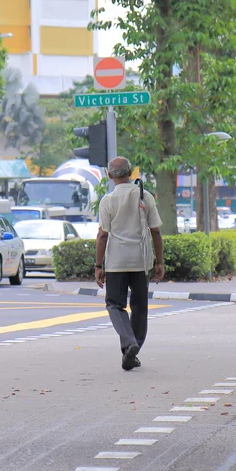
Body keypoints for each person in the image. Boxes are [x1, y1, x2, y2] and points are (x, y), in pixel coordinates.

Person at [95, 157, 165, 371]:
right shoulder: (145, 197)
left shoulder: (107, 201)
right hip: (141, 261)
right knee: (139, 308)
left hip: (116, 262)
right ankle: (133, 350)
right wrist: (159, 262)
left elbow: (102, 235)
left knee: (115, 305)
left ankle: (128, 343)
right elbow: (155, 231)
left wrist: (99, 266)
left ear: (109, 175)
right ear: (131, 173)